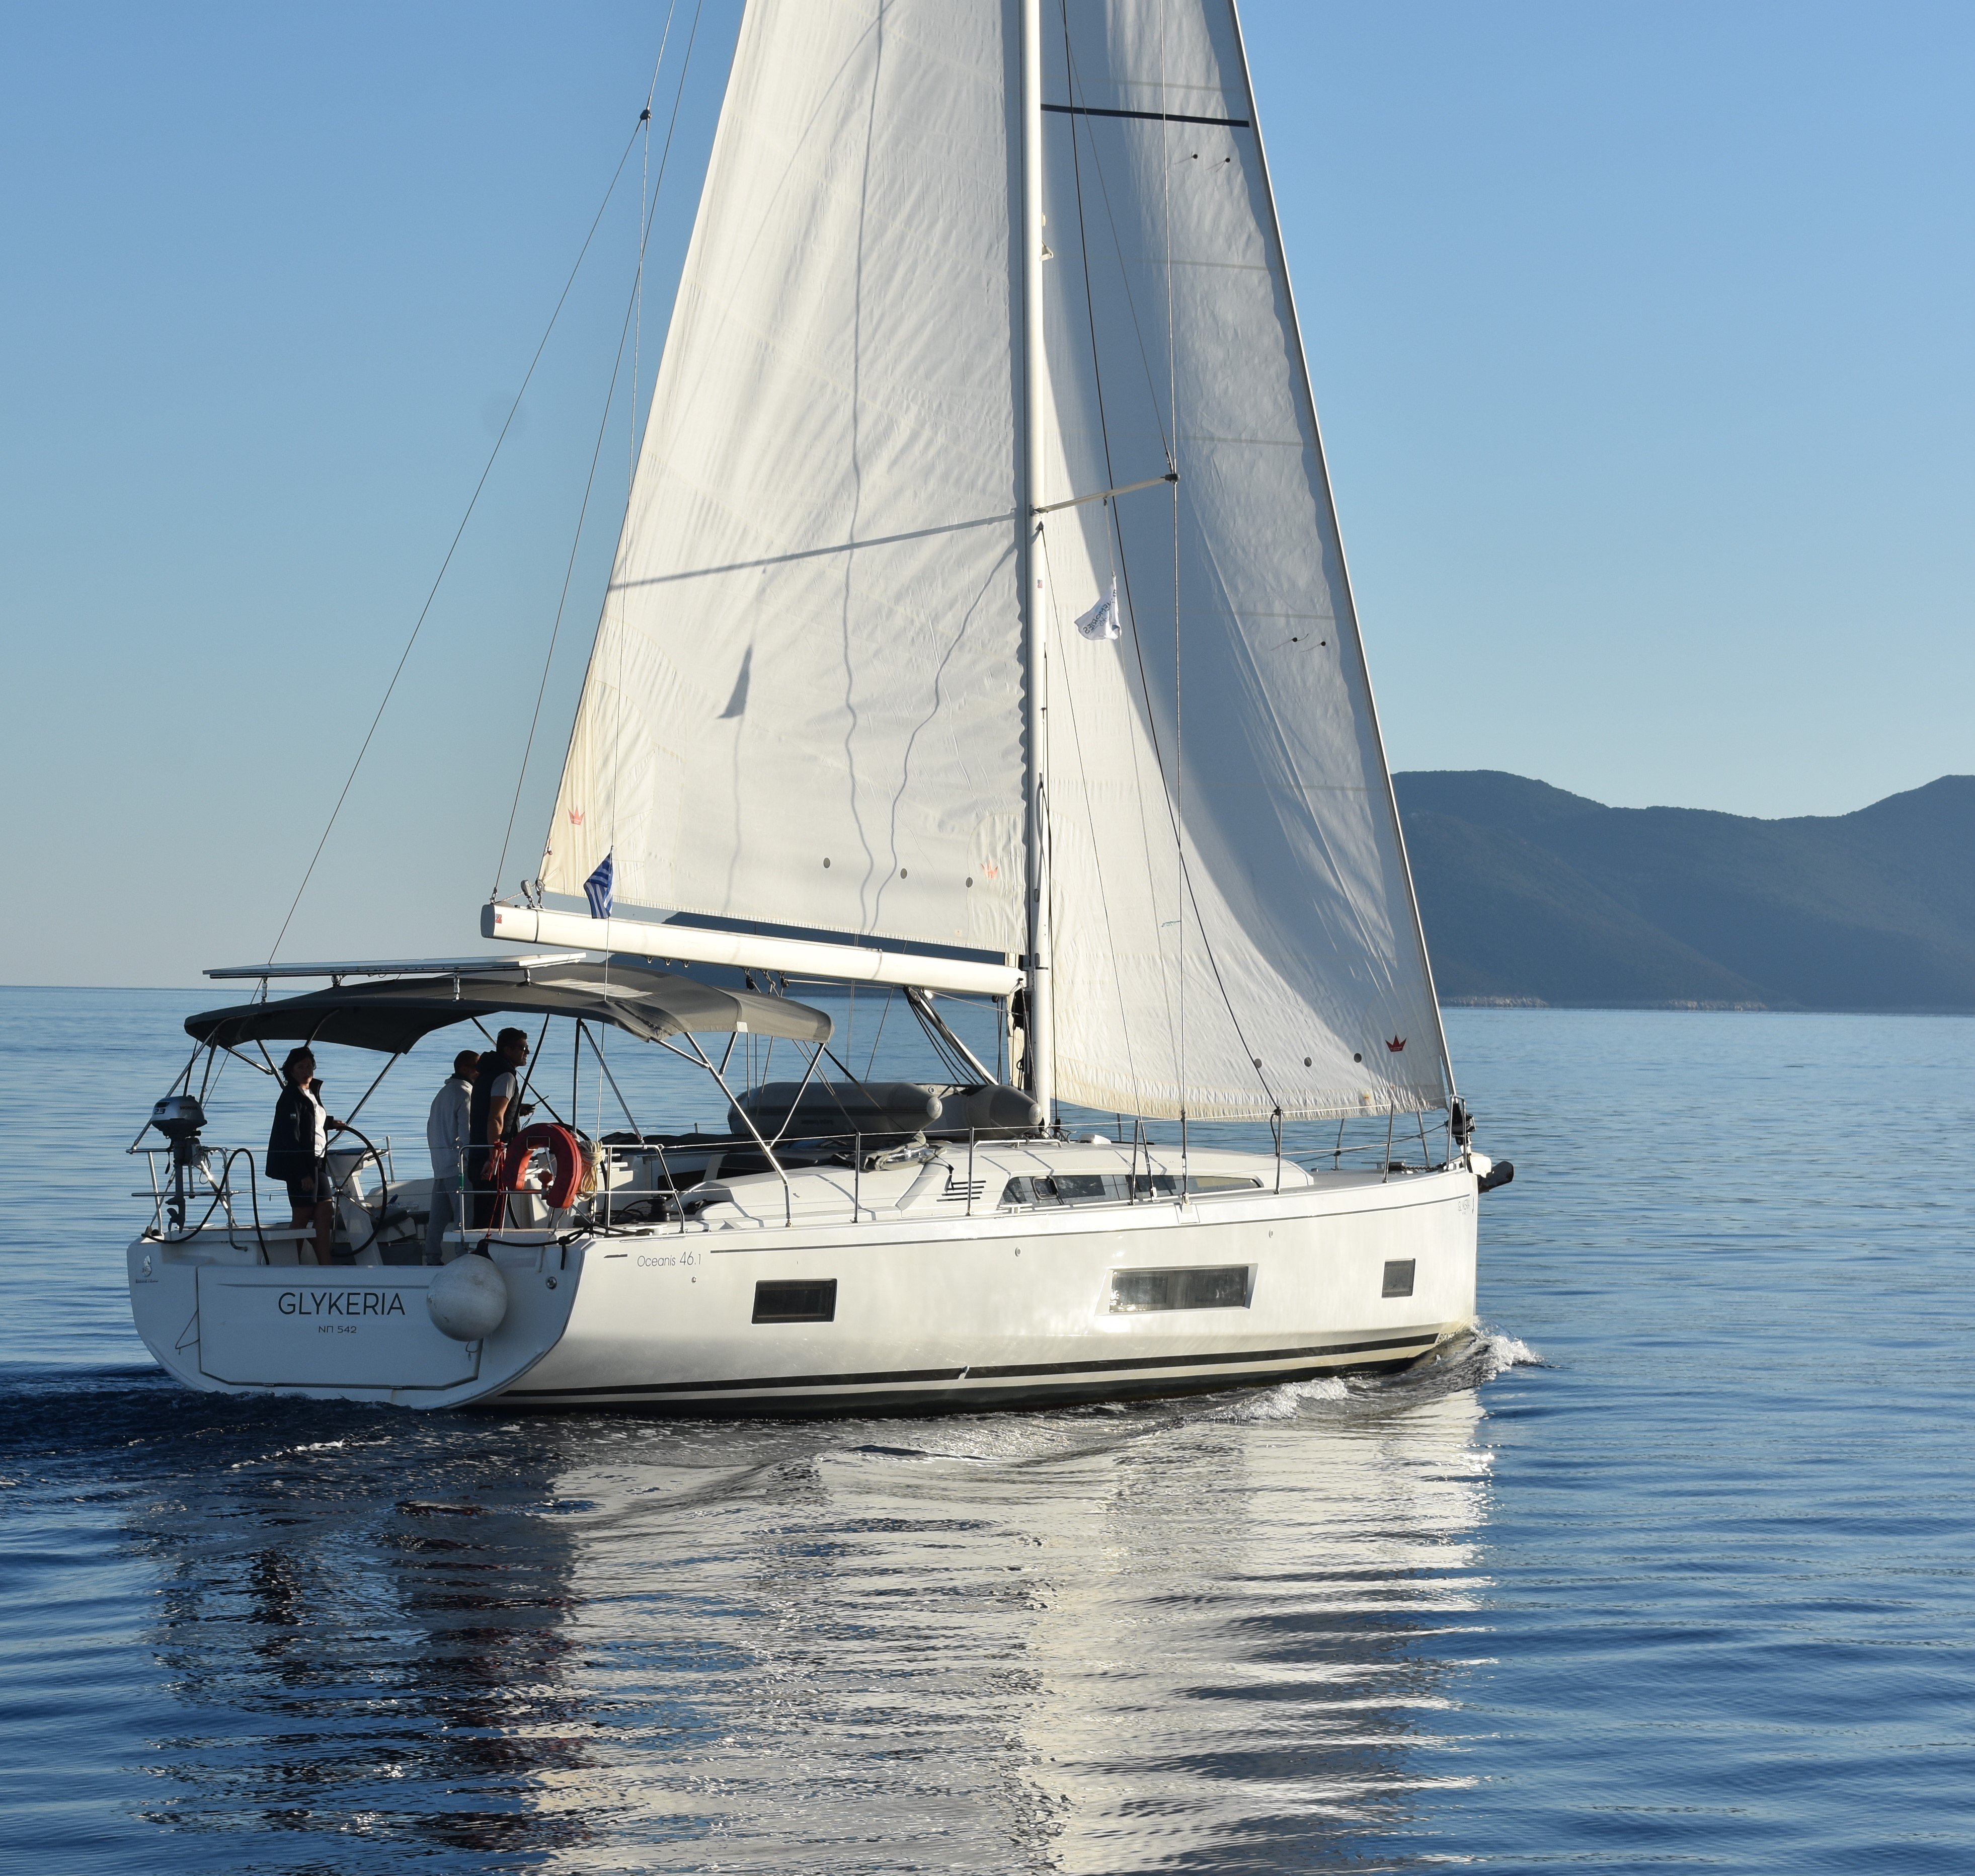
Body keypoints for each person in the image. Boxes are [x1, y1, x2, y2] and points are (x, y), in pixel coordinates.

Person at [266, 1047, 343, 1265]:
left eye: (309, 1066)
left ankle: (325, 1264)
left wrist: (331, 1123)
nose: (306, 1070)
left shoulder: (311, 1092)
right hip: (300, 1165)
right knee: (301, 1217)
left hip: (318, 1161)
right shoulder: (290, 1098)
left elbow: (312, 1121)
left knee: (325, 1212)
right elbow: (292, 1138)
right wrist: (302, 1174)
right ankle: (292, 1264)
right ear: (290, 1071)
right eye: (300, 1067)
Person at [468, 1028, 534, 1230]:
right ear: (507, 1050)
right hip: (492, 1155)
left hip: (476, 1149)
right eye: (523, 1048)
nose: (527, 1052)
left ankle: (479, 1252)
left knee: (483, 1211)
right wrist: (493, 1156)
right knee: (492, 1214)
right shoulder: (506, 1076)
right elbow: (495, 1118)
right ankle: (487, 1251)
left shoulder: (486, 1074)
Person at [423, 1049, 480, 1263]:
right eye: (477, 1068)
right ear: (464, 1069)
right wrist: (472, 1161)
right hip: (458, 1166)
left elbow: (430, 1128)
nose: (479, 1072)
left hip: (439, 1165)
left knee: (436, 1219)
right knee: (463, 1217)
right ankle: (463, 1257)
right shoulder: (465, 1095)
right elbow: (466, 1133)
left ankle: (432, 1258)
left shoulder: (442, 1094)